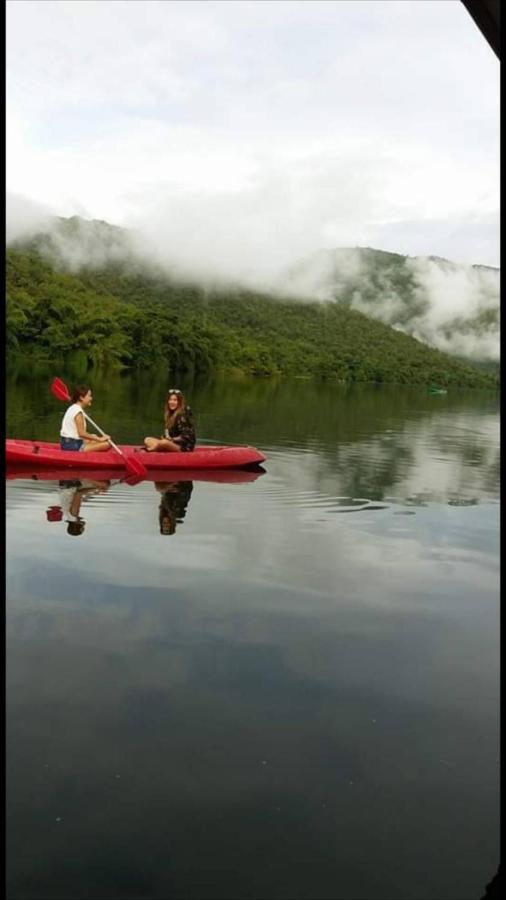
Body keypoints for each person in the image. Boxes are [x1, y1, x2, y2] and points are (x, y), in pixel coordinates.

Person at [60, 384, 111, 452]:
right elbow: (81, 433)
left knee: (93, 436)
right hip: (72, 446)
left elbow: (80, 434)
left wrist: (95, 437)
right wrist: (99, 439)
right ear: (81, 398)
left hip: (66, 442)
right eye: (89, 396)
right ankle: (82, 450)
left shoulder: (73, 408)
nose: (91, 398)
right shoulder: (78, 412)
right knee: (107, 444)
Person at [144, 389, 196, 453]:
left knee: (164, 443)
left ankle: (149, 451)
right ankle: (158, 449)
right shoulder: (170, 414)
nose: (172, 402)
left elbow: (186, 437)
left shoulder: (183, 414)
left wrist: (172, 439)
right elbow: (168, 434)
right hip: (172, 443)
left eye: (175, 400)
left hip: (184, 447)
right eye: (170, 399)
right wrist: (165, 437)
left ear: (179, 402)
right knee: (147, 440)